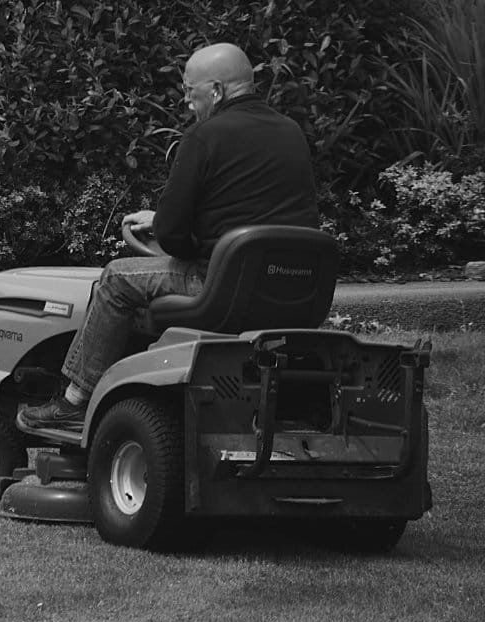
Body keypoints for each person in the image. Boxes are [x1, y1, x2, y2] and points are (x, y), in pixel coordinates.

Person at [17, 42, 320, 434]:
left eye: (190, 92)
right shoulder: (291, 132)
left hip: (223, 287)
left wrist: (170, 230)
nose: (186, 101)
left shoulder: (204, 136)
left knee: (116, 278)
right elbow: (253, 206)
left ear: (215, 91)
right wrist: (163, 220)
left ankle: (75, 401)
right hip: (291, 286)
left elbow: (175, 239)